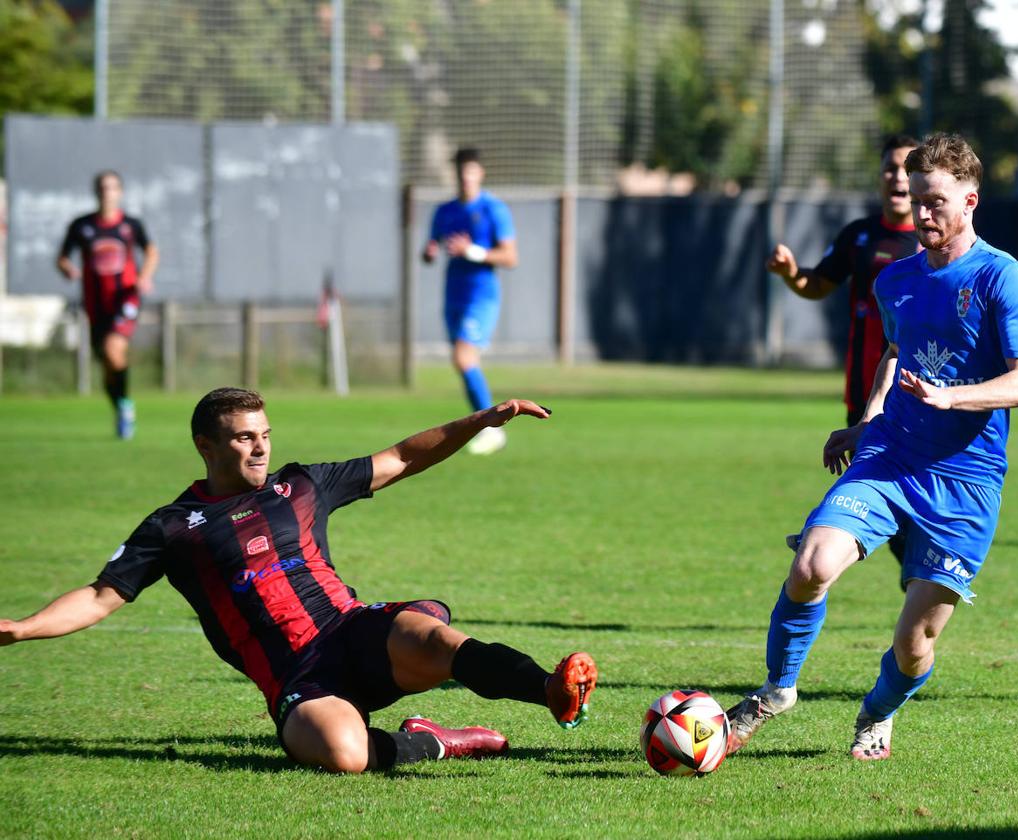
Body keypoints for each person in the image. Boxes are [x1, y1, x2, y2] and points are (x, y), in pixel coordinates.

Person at [0, 387, 598, 773]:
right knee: (344, 754)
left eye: (264, 435)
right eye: (243, 438)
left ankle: (548, 689)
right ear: (205, 447)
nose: (260, 449)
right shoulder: (175, 527)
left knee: (435, 639)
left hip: (353, 631)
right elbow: (103, 595)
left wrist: (484, 419)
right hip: (296, 675)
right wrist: (23, 629)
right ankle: (433, 740)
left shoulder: (301, 485)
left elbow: (402, 458)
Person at [725, 133, 1018, 761]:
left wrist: (952, 397)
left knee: (914, 644)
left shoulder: (1004, 278)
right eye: (917, 200)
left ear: (970, 200)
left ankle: (878, 709)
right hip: (891, 458)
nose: (921, 214)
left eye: (935, 202)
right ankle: (777, 691)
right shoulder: (895, 280)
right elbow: (896, 355)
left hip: (966, 482)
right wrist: (868, 421)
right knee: (812, 564)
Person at [766, 134, 921, 579]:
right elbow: (818, 285)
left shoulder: (937, 244)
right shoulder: (860, 236)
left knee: (888, 486)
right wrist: (792, 274)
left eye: (906, 169)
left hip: (915, 392)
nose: (897, 176)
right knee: (881, 485)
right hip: (864, 392)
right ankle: (914, 576)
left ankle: (826, 530)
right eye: (890, 168)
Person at [423, 148, 518, 456]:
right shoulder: (445, 211)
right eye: (461, 172)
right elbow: (433, 244)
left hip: (482, 295)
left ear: (480, 174)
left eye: (471, 172)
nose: (466, 178)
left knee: (463, 358)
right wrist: (430, 251)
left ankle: (492, 429)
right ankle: (486, 424)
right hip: (453, 294)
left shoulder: (493, 209)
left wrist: (473, 251)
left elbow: (510, 256)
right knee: (464, 362)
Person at [57, 170, 159, 440]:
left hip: (125, 298)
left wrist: (144, 276)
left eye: (112, 187)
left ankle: (125, 408)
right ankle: (122, 405)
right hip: (96, 303)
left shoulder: (130, 225)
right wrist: (67, 269)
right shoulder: (82, 226)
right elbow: (63, 258)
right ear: (96, 192)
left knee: (114, 348)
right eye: (103, 187)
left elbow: (151, 251)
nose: (107, 192)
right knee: (107, 363)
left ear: (120, 192)